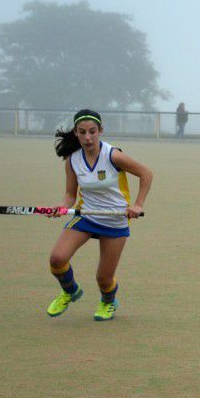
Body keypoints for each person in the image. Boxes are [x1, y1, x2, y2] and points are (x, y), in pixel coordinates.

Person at [46, 110, 153, 322]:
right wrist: (61, 207)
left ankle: (107, 301)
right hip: (87, 217)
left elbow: (146, 173)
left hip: (114, 220)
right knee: (57, 259)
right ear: (76, 133)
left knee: (103, 279)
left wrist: (138, 204)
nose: (88, 138)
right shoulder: (72, 160)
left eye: (92, 132)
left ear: (100, 131)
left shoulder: (113, 155)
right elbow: (70, 194)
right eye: (82, 132)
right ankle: (70, 291)